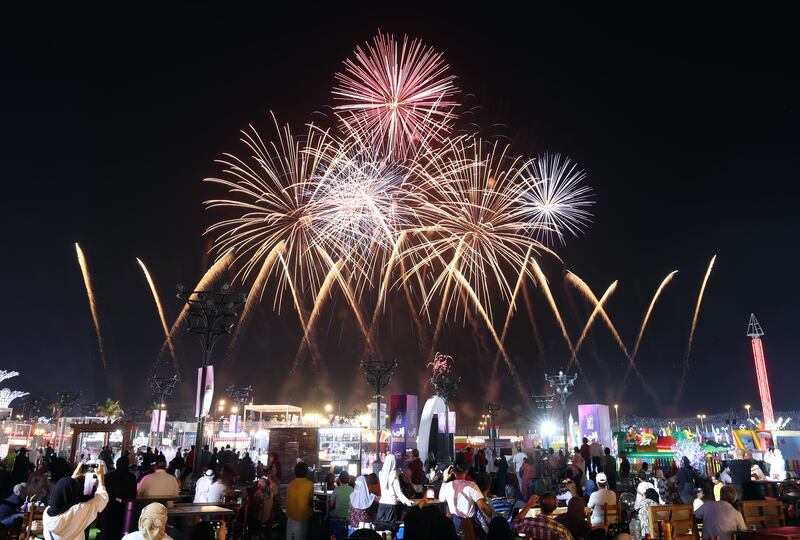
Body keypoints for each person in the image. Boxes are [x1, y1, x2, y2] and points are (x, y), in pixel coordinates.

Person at [43, 462, 109, 540]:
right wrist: (101, 477)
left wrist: (73, 478)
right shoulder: (76, 512)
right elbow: (102, 499)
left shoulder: (46, 513)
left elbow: (65, 491)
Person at [438, 459, 493, 537]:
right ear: (466, 471)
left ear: (453, 471)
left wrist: (444, 479)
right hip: (469, 523)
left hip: (453, 522)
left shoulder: (447, 485)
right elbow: (483, 506)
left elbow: (441, 498)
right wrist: (493, 516)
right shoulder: (471, 485)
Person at [98, 455, 137, 540]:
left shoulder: (108, 476)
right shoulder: (131, 477)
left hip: (109, 509)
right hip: (125, 510)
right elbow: (133, 494)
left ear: (117, 464)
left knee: (108, 532)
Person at [376, 454, 414, 530]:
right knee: (389, 526)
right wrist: (407, 501)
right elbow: (398, 492)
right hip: (391, 503)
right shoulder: (394, 475)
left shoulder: (380, 473)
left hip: (382, 502)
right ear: (394, 462)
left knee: (380, 524)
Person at [285, 461, 313, 540]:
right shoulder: (310, 484)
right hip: (303, 516)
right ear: (306, 472)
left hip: (290, 516)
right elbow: (310, 502)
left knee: (290, 536)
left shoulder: (290, 484)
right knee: (301, 536)